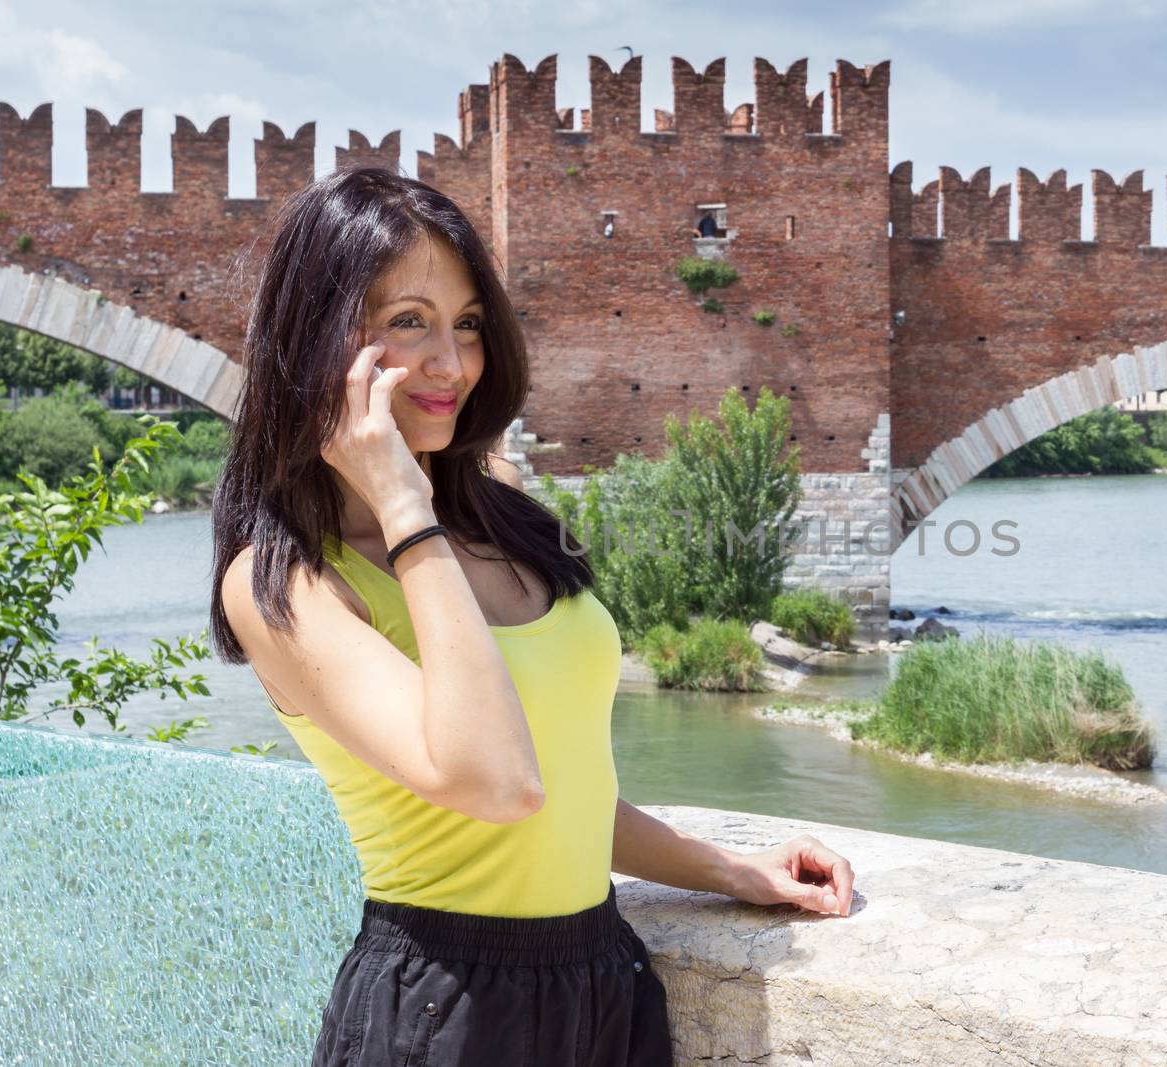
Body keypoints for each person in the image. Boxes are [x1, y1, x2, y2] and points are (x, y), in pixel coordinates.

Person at [210, 164, 856, 1066]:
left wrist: (731, 870)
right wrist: (403, 506)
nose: (450, 363)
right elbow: (496, 782)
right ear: (321, 342)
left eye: (467, 323)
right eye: (408, 323)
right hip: (447, 1009)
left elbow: (563, 787)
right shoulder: (286, 586)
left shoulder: (502, 508)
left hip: (603, 980)